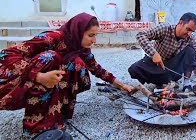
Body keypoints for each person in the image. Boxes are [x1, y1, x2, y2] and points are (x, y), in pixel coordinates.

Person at [0, 12, 133, 138]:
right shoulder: (53, 37)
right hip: (23, 80)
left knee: (77, 64)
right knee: (51, 57)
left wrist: (122, 86)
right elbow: (6, 54)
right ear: (79, 31)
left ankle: (56, 115)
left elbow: (97, 68)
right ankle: (35, 129)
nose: (94, 40)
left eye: (95, 35)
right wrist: (38, 76)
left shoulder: (81, 48)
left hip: (48, 80)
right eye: (91, 35)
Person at [128, 12, 196, 90]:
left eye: (192, 31)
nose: (190, 34)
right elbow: (141, 35)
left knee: (190, 51)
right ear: (181, 23)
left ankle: (186, 84)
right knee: (134, 69)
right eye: (188, 29)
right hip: (157, 66)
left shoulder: (191, 39)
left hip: (173, 70)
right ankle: (161, 81)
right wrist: (154, 54)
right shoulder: (165, 29)